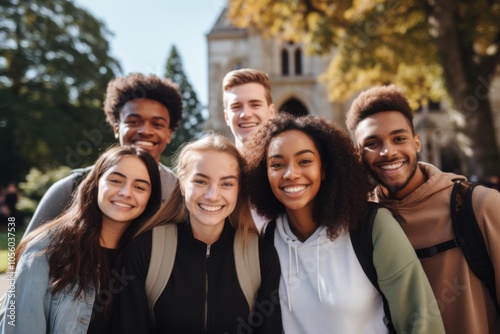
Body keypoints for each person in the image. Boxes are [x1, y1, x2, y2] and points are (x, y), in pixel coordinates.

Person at [243, 113, 445, 333]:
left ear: (324, 169)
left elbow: (420, 320)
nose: (291, 174)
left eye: (305, 161)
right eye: (277, 164)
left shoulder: (371, 226)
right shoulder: (268, 237)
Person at [346, 84, 500, 333]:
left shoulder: (479, 206)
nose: (388, 151)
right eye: (372, 143)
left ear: (417, 142)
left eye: (399, 139)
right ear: (357, 153)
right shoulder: (360, 224)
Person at [113, 133, 282, 333]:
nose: (212, 195)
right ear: (183, 184)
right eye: (201, 181)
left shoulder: (261, 256)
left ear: (238, 189)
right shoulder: (145, 250)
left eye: (227, 183)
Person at [0, 145, 162, 334]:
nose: (126, 192)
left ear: (151, 198)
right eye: (116, 180)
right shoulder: (44, 249)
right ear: (96, 183)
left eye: (140, 187)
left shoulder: (152, 257)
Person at [23, 72, 183, 236]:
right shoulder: (71, 188)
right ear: (116, 129)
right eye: (134, 122)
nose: (145, 131)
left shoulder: (180, 194)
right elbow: (26, 255)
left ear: (169, 134)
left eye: (157, 124)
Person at [223, 68, 276, 230]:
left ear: (271, 112)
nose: (246, 114)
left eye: (255, 104)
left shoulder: (287, 169)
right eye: (236, 107)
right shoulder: (218, 171)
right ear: (226, 117)